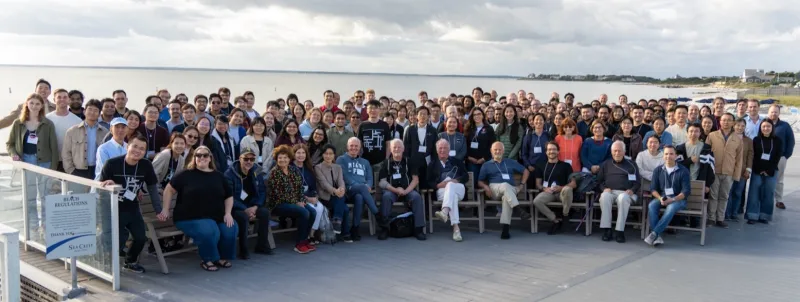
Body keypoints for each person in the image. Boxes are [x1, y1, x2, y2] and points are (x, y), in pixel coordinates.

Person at [159, 145, 237, 270]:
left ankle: (222, 257)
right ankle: (208, 259)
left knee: (230, 229)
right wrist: (165, 209)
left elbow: (229, 196)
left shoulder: (219, 176)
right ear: (194, 158)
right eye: (198, 155)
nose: (202, 158)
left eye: (205, 155)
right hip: (189, 217)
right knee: (210, 231)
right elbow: (168, 190)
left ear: (210, 158)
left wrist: (228, 213)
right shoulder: (185, 174)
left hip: (216, 216)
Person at [98, 134, 163, 273]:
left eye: (142, 149)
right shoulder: (111, 163)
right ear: (127, 146)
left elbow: (152, 188)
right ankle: (106, 263)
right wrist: (108, 185)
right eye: (135, 146)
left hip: (132, 207)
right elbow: (100, 188)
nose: (137, 151)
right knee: (119, 237)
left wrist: (159, 210)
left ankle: (130, 261)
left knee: (141, 237)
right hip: (113, 208)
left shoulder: (146, 165)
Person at [266, 145, 318, 254]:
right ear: (276, 159)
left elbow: (299, 188)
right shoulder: (274, 173)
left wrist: (302, 201)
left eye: (285, 157)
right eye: (280, 157)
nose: (283, 160)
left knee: (312, 212)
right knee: (304, 212)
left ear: (290, 159)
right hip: (278, 204)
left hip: (294, 202)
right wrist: (296, 202)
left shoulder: (293, 170)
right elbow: (279, 194)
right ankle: (299, 244)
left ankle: (304, 240)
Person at [224, 147, 272, 259]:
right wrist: (245, 209)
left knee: (264, 212)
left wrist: (255, 207)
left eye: (252, 159)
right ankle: (243, 249)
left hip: (252, 205)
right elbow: (229, 196)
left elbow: (261, 191)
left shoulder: (257, 170)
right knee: (243, 217)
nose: (249, 162)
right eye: (246, 159)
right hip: (234, 207)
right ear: (239, 158)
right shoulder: (229, 174)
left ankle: (262, 246)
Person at [478, 142, 531, 239]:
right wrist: (485, 187)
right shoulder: (486, 165)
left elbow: (526, 171)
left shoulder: (510, 162)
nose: (497, 151)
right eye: (495, 150)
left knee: (507, 197)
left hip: (511, 189)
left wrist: (521, 185)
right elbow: (480, 181)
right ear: (491, 151)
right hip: (495, 189)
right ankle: (517, 209)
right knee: (506, 186)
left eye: (500, 149)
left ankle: (505, 230)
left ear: (503, 151)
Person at [377, 139, 426, 240]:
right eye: (394, 147)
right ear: (390, 149)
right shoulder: (385, 163)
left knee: (416, 197)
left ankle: (418, 229)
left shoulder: (410, 161)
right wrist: (396, 190)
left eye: (399, 147)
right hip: (391, 191)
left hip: (407, 190)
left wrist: (405, 191)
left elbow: (415, 180)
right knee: (386, 197)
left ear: (403, 149)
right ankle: (385, 229)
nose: (397, 149)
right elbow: (382, 182)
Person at [336, 137, 383, 240]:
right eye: (351, 146)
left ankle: (355, 228)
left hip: (362, 192)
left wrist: (369, 186)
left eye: (356, 146)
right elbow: (344, 176)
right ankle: (378, 215)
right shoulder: (341, 159)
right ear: (347, 147)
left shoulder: (365, 162)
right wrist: (361, 186)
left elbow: (369, 177)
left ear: (360, 147)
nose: (354, 148)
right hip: (348, 190)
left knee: (359, 197)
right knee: (361, 188)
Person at [645, 145, 691, 246]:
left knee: (671, 207)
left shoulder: (683, 171)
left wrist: (673, 199)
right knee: (652, 205)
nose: (668, 156)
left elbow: (686, 191)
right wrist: (660, 198)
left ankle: (654, 233)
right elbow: (653, 189)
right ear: (663, 156)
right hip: (663, 197)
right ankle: (657, 237)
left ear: (676, 156)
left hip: (678, 199)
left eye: (671, 154)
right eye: (666, 154)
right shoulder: (658, 170)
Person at [597, 141, 641, 243]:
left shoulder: (632, 164)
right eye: (615, 151)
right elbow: (598, 181)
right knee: (605, 196)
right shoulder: (606, 164)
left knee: (623, 198)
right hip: (610, 192)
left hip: (627, 193)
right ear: (611, 152)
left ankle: (619, 231)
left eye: (619, 151)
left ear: (624, 152)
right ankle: (607, 230)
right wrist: (604, 189)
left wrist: (632, 190)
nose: (617, 153)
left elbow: (637, 182)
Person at [705, 113, 743, 228]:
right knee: (713, 195)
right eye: (723, 120)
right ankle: (711, 218)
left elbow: (739, 159)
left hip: (728, 172)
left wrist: (736, 175)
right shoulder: (712, 136)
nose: (726, 122)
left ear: (733, 123)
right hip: (714, 172)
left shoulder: (737, 139)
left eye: (729, 120)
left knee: (724, 196)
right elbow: (706, 155)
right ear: (720, 122)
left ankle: (720, 218)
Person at [532, 142, 577, 235]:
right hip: (549, 192)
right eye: (549, 149)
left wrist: (561, 188)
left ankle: (565, 216)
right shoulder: (540, 165)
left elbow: (573, 184)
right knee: (537, 201)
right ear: (546, 152)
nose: (551, 151)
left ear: (558, 151)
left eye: (554, 149)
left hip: (562, 193)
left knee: (568, 189)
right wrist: (544, 189)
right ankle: (555, 220)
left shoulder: (566, 166)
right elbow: (538, 184)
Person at [429, 139, 469, 242]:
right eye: (440, 148)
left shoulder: (456, 161)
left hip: (458, 188)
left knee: (451, 184)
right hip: (442, 191)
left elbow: (466, 176)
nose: (443, 150)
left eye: (445, 148)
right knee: (453, 198)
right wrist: (438, 185)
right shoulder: (432, 164)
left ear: (449, 149)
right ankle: (456, 228)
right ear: (437, 150)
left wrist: (456, 180)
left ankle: (444, 212)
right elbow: (427, 182)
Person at [7, 93, 59, 170]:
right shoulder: (18, 123)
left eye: (37, 104)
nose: (34, 106)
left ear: (41, 106)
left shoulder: (48, 124)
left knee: (45, 182)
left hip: (45, 163)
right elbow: (10, 144)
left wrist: (53, 167)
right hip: (24, 162)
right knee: (28, 182)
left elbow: (54, 147)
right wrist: (14, 154)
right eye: (31, 103)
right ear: (27, 104)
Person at [746, 120, 783, 224]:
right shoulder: (756, 140)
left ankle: (764, 216)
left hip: (771, 171)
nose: (766, 128)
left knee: (768, 193)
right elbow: (754, 156)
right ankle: (752, 215)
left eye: (768, 126)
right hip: (757, 170)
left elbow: (777, 157)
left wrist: (768, 170)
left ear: (772, 128)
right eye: (763, 126)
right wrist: (759, 169)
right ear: (760, 128)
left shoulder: (777, 140)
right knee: (754, 193)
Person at [314, 145, 352, 242]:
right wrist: (336, 191)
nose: (328, 156)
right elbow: (324, 184)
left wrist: (342, 189)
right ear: (322, 155)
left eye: (330, 154)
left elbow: (341, 181)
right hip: (325, 197)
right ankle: (345, 233)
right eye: (326, 154)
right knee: (345, 208)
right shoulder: (318, 167)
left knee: (344, 206)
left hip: (337, 196)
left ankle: (337, 223)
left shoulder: (338, 167)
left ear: (334, 155)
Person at [63, 99, 109, 179]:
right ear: (84, 111)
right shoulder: (72, 131)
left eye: (95, 110)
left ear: (99, 114)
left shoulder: (105, 132)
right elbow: (66, 153)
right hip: (77, 171)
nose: (92, 112)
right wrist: (71, 171)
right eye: (90, 109)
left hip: (97, 170)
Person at [46, 89, 83, 171]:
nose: (62, 99)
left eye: (65, 97)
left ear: (69, 100)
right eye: (59, 97)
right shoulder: (47, 118)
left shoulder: (77, 120)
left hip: (70, 162)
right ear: (54, 100)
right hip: (52, 160)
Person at [766, 104, 795, 210]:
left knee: (779, 179)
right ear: (768, 113)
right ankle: (765, 198)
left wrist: (786, 155)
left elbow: (791, 141)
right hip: (765, 157)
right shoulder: (764, 124)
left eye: (775, 112)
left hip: (781, 157)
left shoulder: (785, 126)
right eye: (772, 112)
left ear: (779, 113)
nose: (773, 114)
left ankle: (779, 200)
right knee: (765, 177)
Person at [403, 107, 438, 188]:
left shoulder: (432, 130)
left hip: (427, 163)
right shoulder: (410, 129)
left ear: (428, 116)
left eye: (425, 114)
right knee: (413, 186)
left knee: (426, 186)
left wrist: (433, 163)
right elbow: (406, 147)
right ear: (416, 116)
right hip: (413, 163)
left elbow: (434, 148)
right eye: (420, 114)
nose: (423, 116)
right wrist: (408, 161)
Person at [726, 118, 753, 221]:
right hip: (729, 170)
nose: (740, 127)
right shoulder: (728, 137)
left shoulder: (749, 141)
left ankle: (734, 213)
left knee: (738, 193)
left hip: (742, 171)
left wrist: (748, 169)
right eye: (738, 125)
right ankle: (727, 214)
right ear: (733, 125)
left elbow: (750, 156)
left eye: (742, 126)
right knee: (728, 192)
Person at [465, 107, 495, 192]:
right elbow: (465, 145)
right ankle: (474, 204)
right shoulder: (468, 129)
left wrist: (484, 158)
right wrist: (469, 157)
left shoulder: (489, 129)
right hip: (472, 161)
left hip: (485, 161)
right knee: (473, 183)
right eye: (474, 115)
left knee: (485, 183)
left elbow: (492, 145)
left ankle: (487, 204)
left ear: (483, 115)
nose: (477, 116)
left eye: (479, 114)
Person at [357, 100, 390, 169]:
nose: (373, 110)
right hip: (365, 161)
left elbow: (388, 144)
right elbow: (359, 144)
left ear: (379, 110)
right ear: (367, 110)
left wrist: (386, 159)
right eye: (371, 108)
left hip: (381, 161)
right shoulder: (362, 125)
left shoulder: (384, 125)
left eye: (375, 108)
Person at [521, 113, 550, 181]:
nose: (539, 121)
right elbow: (524, 154)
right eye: (536, 120)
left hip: (545, 167)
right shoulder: (528, 137)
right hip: (532, 168)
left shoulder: (548, 136)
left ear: (544, 122)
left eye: (541, 120)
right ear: (533, 122)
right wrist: (528, 165)